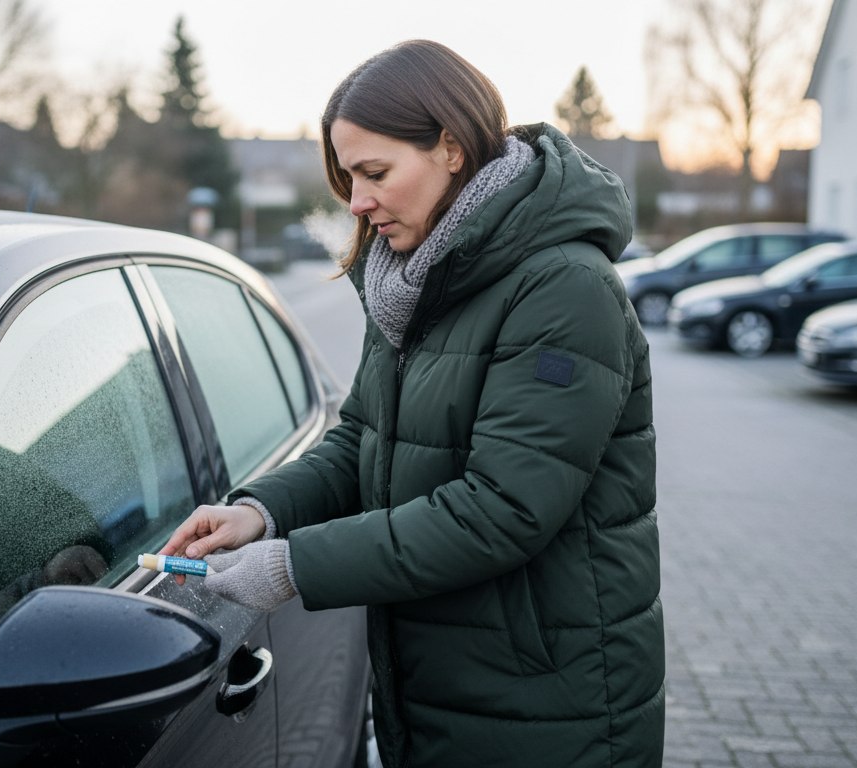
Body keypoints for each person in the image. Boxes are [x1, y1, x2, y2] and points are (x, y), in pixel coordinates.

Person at [160, 39, 662, 768]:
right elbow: (364, 435)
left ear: (452, 148)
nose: (357, 203)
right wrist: (262, 512)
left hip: (548, 704)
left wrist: (291, 565)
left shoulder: (563, 290)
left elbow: (503, 510)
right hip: (439, 682)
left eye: (374, 173)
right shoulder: (414, 280)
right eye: (348, 178)